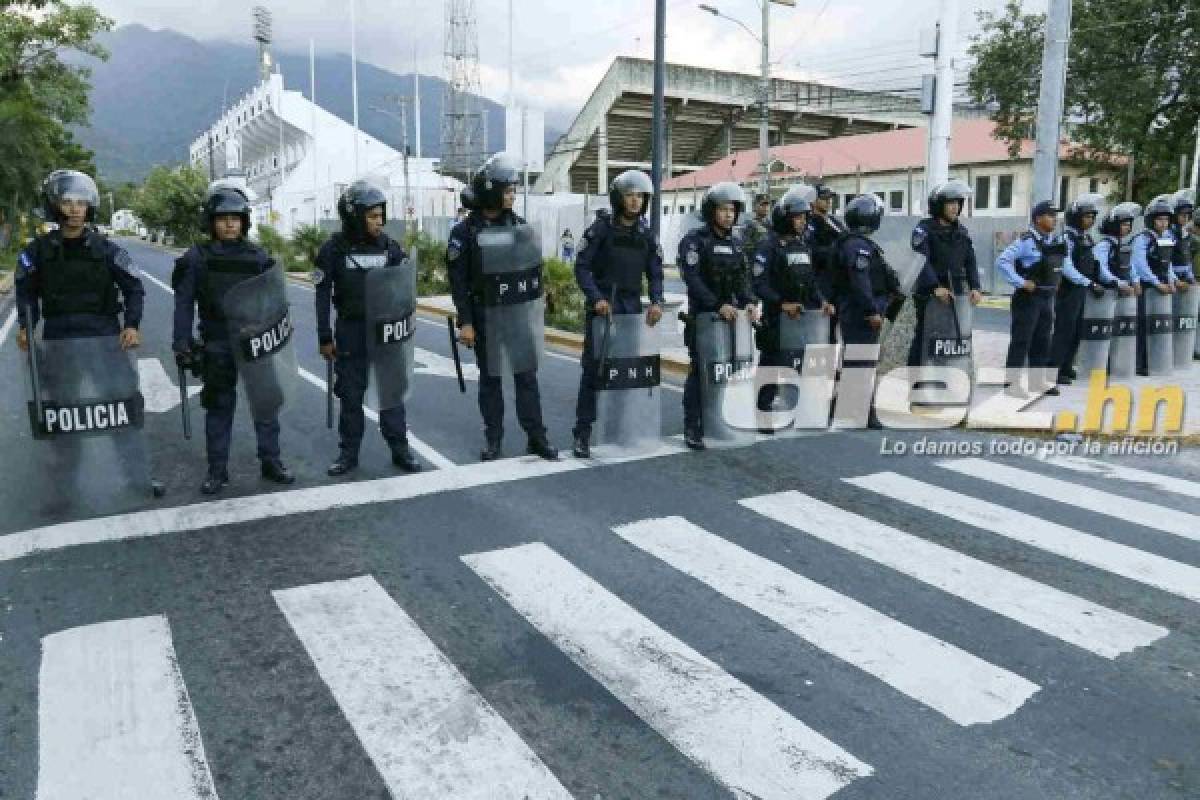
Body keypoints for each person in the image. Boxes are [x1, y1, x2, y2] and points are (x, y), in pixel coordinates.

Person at [17, 169, 162, 497]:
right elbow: (25, 292)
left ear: (89, 207)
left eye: (80, 203)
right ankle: (63, 489)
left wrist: (132, 326)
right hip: (59, 341)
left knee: (122, 409)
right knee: (63, 417)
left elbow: (134, 288)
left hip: (105, 338)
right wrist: (26, 327)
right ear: (55, 206)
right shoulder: (38, 251)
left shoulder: (107, 249)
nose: (74, 209)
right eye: (67, 202)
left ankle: (138, 478)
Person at [172, 183, 294, 494]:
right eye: (223, 218)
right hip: (217, 342)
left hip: (254, 341)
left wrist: (276, 332)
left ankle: (271, 461)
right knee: (218, 407)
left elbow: (275, 299)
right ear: (211, 221)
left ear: (244, 221)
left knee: (266, 405)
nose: (230, 224)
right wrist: (181, 341)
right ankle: (217, 470)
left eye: (236, 218)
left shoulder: (258, 257)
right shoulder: (196, 259)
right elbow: (184, 302)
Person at [448, 154, 558, 461]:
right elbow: (459, 284)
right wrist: (466, 323)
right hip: (485, 317)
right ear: (491, 191)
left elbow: (531, 270)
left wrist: (541, 297)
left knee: (526, 377)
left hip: (518, 316)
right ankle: (493, 439)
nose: (512, 195)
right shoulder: (465, 233)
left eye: (513, 190)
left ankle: (536, 437)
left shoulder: (520, 226)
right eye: (507, 190)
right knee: (491, 380)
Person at [315, 180, 422, 476]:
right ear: (354, 216)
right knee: (351, 396)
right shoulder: (333, 250)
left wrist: (403, 328)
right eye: (372, 216)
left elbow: (404, 289)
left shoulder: (390, 248)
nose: (380, 222)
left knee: (392, 393)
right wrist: (324, 336)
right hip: (351, 331)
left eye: (380, 215)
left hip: (385, 332)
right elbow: (322, 294)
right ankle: (348, 455)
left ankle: (400, 450)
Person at [571, 170, 664, 458]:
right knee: (594, 372)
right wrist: (596, 298)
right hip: (604, 310)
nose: (635, 202)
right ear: (618, 198)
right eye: (630, 195)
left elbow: (656, 272)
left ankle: (623, 430)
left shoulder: (646, 235)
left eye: (640, 196)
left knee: (627, 373)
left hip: (632, 310)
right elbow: (582, 267)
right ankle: (583, 434)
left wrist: (657, 301)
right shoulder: (601, 229)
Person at [678, 182, 760, 450]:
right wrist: (716, 305)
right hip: (704, 318)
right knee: (702, 370)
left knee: (727, 371)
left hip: (732, 322)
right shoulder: (695, 241)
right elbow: (692, 278)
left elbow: (743, 279)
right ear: (711, 211)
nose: (728, 215)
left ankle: (722, 421)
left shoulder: (736, 245)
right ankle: (693, 425)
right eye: (723, 209)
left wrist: (749, 302)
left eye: (732, 210)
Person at [752, 184, 834, 416]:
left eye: (803, 218)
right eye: (797, 217)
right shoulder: (768, 246)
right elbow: (759, 284)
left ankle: (799, 407)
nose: (802, 222)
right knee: (772, 362)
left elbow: (810, 282)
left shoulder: (802, 246)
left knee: (799, 362)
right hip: (777, 317)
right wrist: (780, 303)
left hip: (802, 318)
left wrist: (821, 302)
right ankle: (762, 409)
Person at [995, 201, 1082, 396]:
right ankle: (1011, 385)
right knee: (1021, 341)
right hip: (1028, 299)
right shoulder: (1026, 241)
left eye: (1055, 215)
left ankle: (1037, 382)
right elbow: (1002, 262)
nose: (1054, 219)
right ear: (1038, 219)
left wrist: (1085, 282)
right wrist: (1020, 282)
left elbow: (1065, 267)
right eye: (1050, 215)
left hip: (1047, 297)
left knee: (1042, 341)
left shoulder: (1057, 242)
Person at [830, 194, 900, 428]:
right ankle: (861, 412)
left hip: (857, 310)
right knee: (861, 362)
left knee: (857, 361)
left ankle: (850, 409)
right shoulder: (857, 246)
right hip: (860, 313)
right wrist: (871, 311)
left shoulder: (855, 243)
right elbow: (860, 282)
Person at [908, 179, 983, 367]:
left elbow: (970, 260)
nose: (955, 208)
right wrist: (935, 287)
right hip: (930, 294)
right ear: (938, 205)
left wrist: (975, 286)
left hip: (955, 293)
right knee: (925, 336)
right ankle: (916, 382)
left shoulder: (961, 231)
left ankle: (941, 377)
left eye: (958, 203)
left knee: (948, 339)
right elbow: (921, 260)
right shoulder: (924, 229)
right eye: (950, 203)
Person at [1049, 194, 1115, 385]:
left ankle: (1067, 366)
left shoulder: (1087, 239)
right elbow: (1067, 267)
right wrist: (1088, 283)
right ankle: (1054, 369)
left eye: (1093, 217)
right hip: (1068, 291)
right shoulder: (1066, 238)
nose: (1091, 220)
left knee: (1077, 330)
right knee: (1064, 330)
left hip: (1082, 291)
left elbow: (1096, 265)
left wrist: (1111, 281)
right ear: (1075, 217)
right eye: (1087, 216)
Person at [1130, 195, 1179, 375]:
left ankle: (1155, 361)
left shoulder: (1166, 238)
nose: (1163, 223)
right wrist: (1157, 283)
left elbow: (1167, 263)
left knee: (1158, 325)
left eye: (1166, 219)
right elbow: (1139, 264)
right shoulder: (1142, 239)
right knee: (1142, 323)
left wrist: (1171, 280)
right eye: (1160, 219)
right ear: (1151, 220)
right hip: (1147, 285)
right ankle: (1139, 363)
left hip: (1162, 285)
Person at [808, 183, 847, 343]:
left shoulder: (834, 222)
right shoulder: (810, 223)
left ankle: (831, 364)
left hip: (837, 281)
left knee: (834, 330)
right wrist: (834, 251)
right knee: (820, 329)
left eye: (829, 198)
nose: (828, 201)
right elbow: (811, 251)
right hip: (820, 280)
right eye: (823, 198)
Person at [739, 192, 772, 258]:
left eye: (767, 205)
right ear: (755, 206)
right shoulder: (749, 225)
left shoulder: (771, 224)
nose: (765, 208)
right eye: (762, 205)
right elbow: (746, 248)